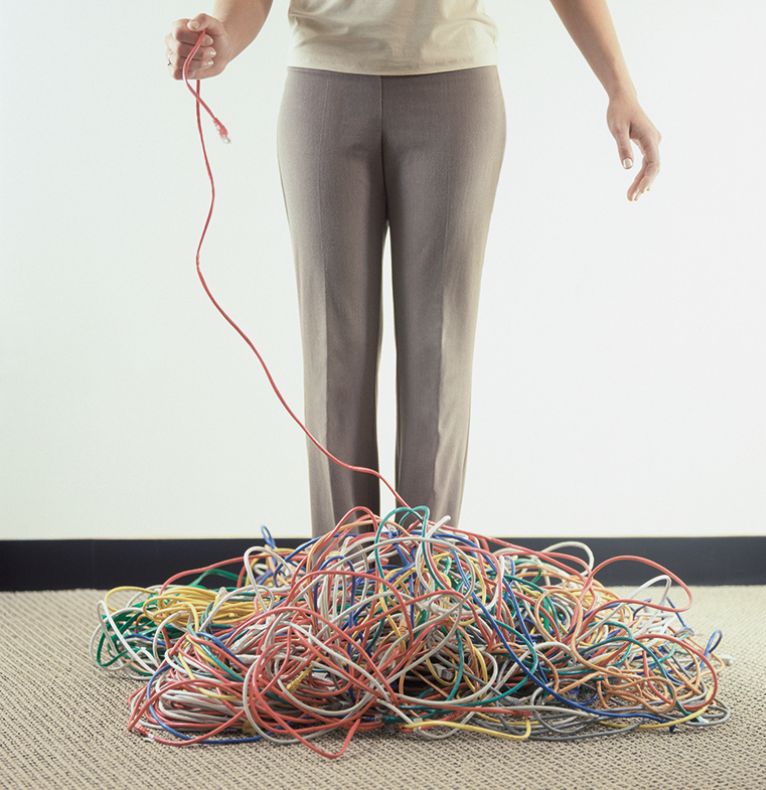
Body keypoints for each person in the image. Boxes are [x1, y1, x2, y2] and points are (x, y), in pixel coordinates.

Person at [164, 1, 661, 538]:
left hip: (454, 87)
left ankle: (427, 587)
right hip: (324, 85)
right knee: (334, 351)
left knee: (439, 349)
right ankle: (344, 584)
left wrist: (619, 85)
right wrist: (222, 40)